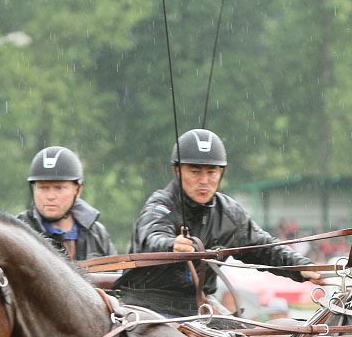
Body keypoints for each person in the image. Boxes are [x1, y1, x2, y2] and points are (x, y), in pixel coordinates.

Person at [113, 129, 323, 316]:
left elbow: (264, 248)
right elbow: (153, 235)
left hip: (199, 306)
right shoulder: (161, 205)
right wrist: (172, 245)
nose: (204, 180)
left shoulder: (230, 214)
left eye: (211, 172)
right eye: (195, 171)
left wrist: (300, 267)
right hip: (145, 304)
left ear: (221, 172)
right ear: (177, 171)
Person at [17, 146, 117, 261]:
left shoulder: (97, 234)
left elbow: (116, 276)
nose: (50, 196)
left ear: (78, 190)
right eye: (43, 188)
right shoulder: (18, 232)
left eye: (59, 188)